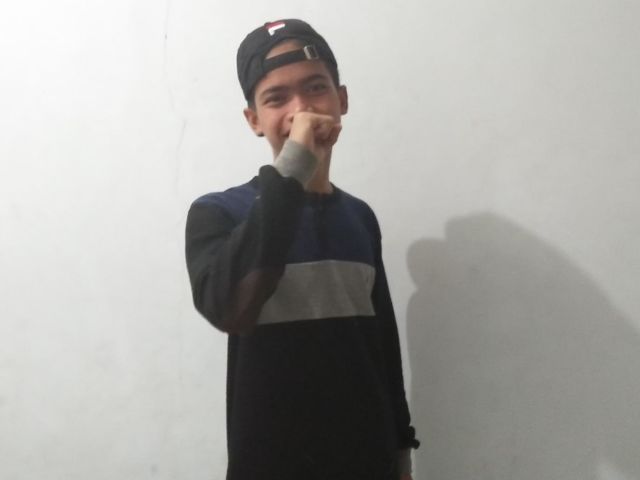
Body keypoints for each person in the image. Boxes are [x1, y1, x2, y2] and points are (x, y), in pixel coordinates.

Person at [185, 19, 419, 480]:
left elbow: (383, 348)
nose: (302, 109)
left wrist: (401, 453)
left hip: (367, 463)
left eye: (315, 88)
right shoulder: (219, 213)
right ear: (254, 120)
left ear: (342, 99)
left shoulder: (359, 217)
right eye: (277, 98)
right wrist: (294, 166)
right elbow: (230, 308)